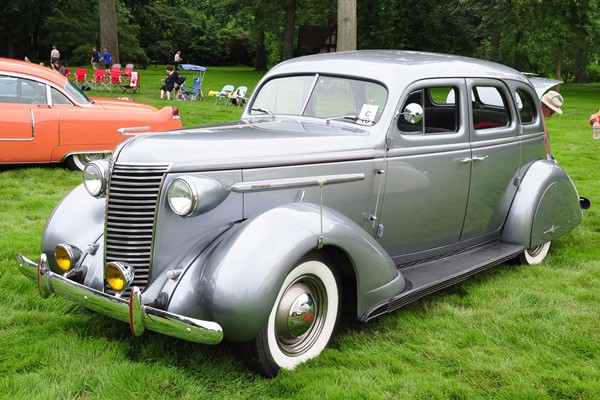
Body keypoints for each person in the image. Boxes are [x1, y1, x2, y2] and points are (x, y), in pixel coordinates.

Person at [540, 90, 563, 160]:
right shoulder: (538, 114)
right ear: (545, 106)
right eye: (551, 113)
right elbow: (544, 137)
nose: (550, 116)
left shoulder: (539, 114)